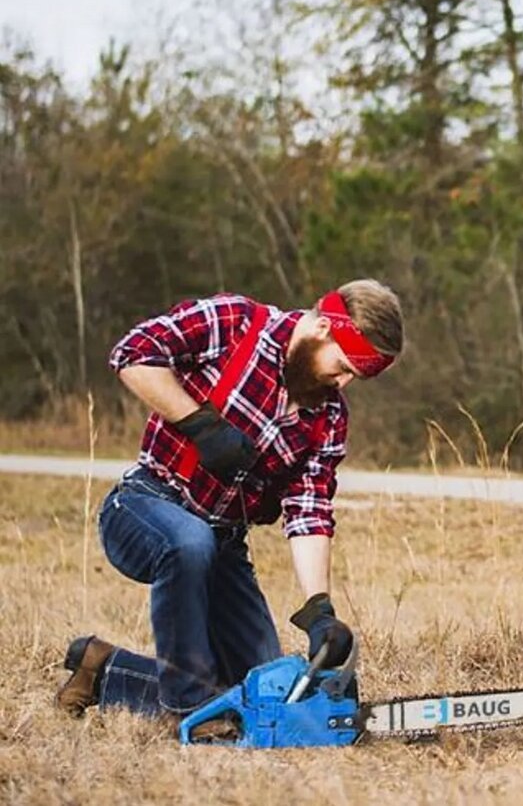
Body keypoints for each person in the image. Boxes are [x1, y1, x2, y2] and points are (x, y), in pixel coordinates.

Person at [55, 279, 404, 737]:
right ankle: (187, 711)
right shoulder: (236, 324)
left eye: (355, 377)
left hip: (223, 543)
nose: (342, 383)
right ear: (322, 327)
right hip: (144, 504)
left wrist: (319, 609)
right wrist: (199, 423)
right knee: (189, 542)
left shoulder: (329, 417)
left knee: (261, 699)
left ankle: (102, 669)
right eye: (341, 367)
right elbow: (132, 353)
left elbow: (310, 508)